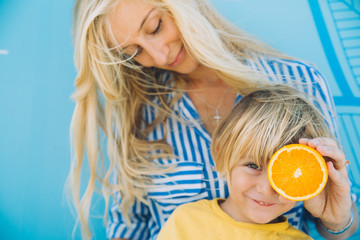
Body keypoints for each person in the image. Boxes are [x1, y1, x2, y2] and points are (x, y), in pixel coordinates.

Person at [68, 0, 358, 239]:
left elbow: (335, 217)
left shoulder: (299, 82)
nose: (158, 54)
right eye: (134, 53)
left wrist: (338, 220)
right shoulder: (140, 114)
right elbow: (130, 226)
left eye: (155, 27)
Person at [157, 86, 335, 240]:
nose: (266, 189)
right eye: (253, 166)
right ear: (221, 152)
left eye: (287, 174)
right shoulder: (186, 221)